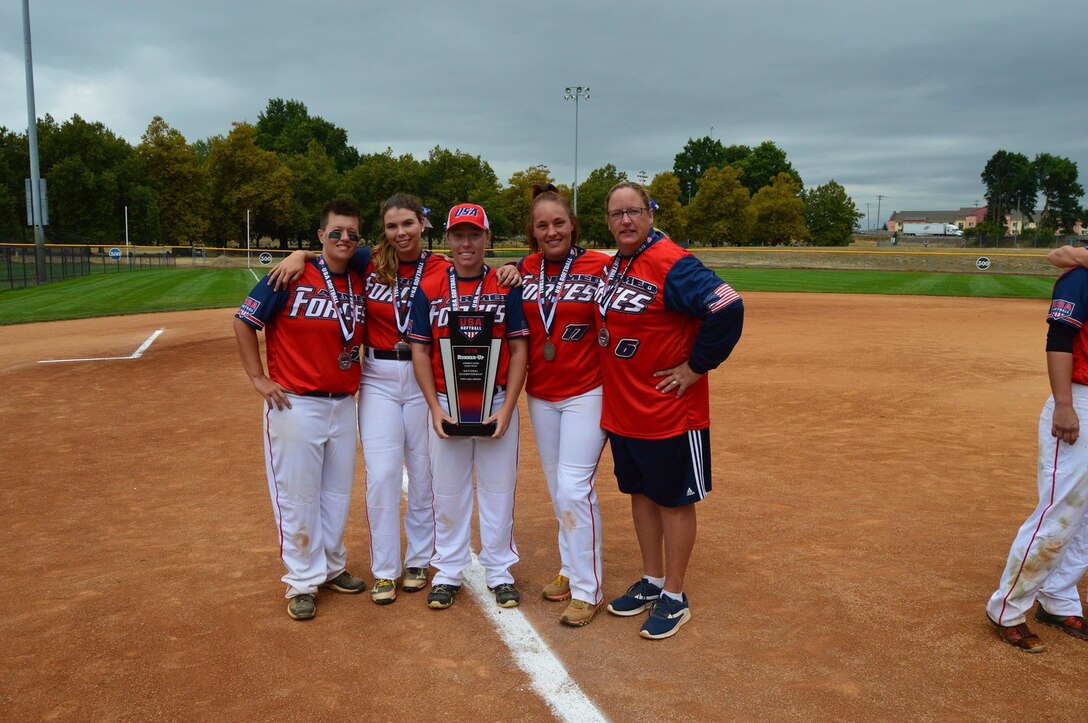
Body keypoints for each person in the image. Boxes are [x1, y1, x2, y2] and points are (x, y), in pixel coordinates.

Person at [269, 197, 520, 606]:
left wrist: (513, 268)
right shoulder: (368, 261)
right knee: (383, 474)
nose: (400, 233)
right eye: (391, 226)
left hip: (426, 378)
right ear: (383, 231)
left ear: (423, 225)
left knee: (424, 474)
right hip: (378, 376)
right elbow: (333, 247)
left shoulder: (441, 267)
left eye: (408, 223)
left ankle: (420, 560)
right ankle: (385, 568)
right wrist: (300, 254)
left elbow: (487, 274)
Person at [598, 181, 744, 640]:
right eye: (617, 213)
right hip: (625, 412)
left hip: (669, 413)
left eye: (634, 211)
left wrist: (696, 367)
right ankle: (653, 580)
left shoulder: (672, 263)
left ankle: (675, 596)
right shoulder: (617, 264)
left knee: (674, 501)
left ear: (650, 214)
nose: (626, 220)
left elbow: (727, 305)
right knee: (641, 495)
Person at [233, 198, 369, 621]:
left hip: (344, 403)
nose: (344, 239)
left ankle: (331, 566)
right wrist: (258, 378)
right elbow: (244, 321)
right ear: (319, 235)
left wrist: (305, 251)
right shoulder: (289, 275)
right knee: (297, 496)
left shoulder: (361, 274)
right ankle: (301, 581)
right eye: (335, 232)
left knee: (335, 495)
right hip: (295, 402)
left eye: (351, 233)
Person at [408, 202, 529, 610]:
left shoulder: (505, 284)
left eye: (474, 234)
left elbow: (518, 346)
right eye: (458, 234)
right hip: (446, 403)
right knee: (448, 492)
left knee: (498, 490)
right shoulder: (431, 287)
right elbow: (420, 351)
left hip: (495, 401)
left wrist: (509, 407)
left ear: (487, 238)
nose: (465, 242)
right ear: (447, 239)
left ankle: (498, 571)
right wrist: (433, 406)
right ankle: (447, 571)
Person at [517, 184, 611, 626]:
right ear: (532, 232)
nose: (551, 231)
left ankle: (588, 588)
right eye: (542, 225)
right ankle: (570, 569)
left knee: (575, 487)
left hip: (587, 393)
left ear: (573, 225)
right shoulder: (523, 269)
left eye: (559, 223)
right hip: (542, 395)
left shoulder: (602, 266)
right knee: (559, 489)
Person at [984, 262, 1088, 651]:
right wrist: (1064, 404)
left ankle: (1058, 600)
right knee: (1059, 514)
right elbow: (1059, 338)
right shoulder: (1080, 277)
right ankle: (1007, 608)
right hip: (1079, 399)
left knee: (1087, 518)